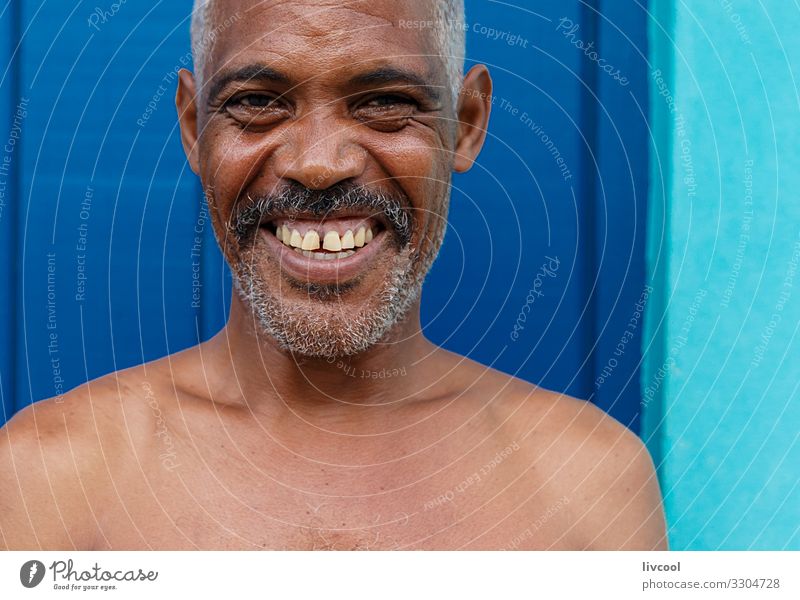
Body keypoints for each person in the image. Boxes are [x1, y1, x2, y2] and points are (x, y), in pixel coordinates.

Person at [0, 0, 666, 550]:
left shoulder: (586, 484)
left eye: (383, 102)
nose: (319, 164)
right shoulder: (51, 477)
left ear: (465, 124)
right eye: (258, 102)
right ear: (194, 125)